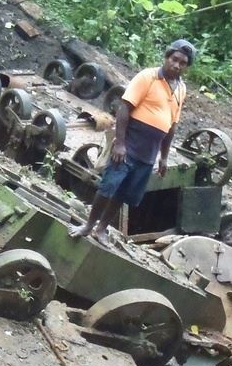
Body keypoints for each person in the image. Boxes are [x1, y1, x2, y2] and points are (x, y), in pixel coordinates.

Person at [69, 39, 196, 246]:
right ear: (167, 57)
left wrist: (163, 157)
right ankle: (88, 226)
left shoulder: (181, 89)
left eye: (182, 63)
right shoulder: (148, 77)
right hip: (129, 145)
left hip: (149, 153)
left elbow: (172, 126)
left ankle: (102, 229)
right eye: (174, 59)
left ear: (186, 66)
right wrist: (120, 143)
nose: (177, 65)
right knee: (108, 186)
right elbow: (124, 108)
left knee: (123, 194)